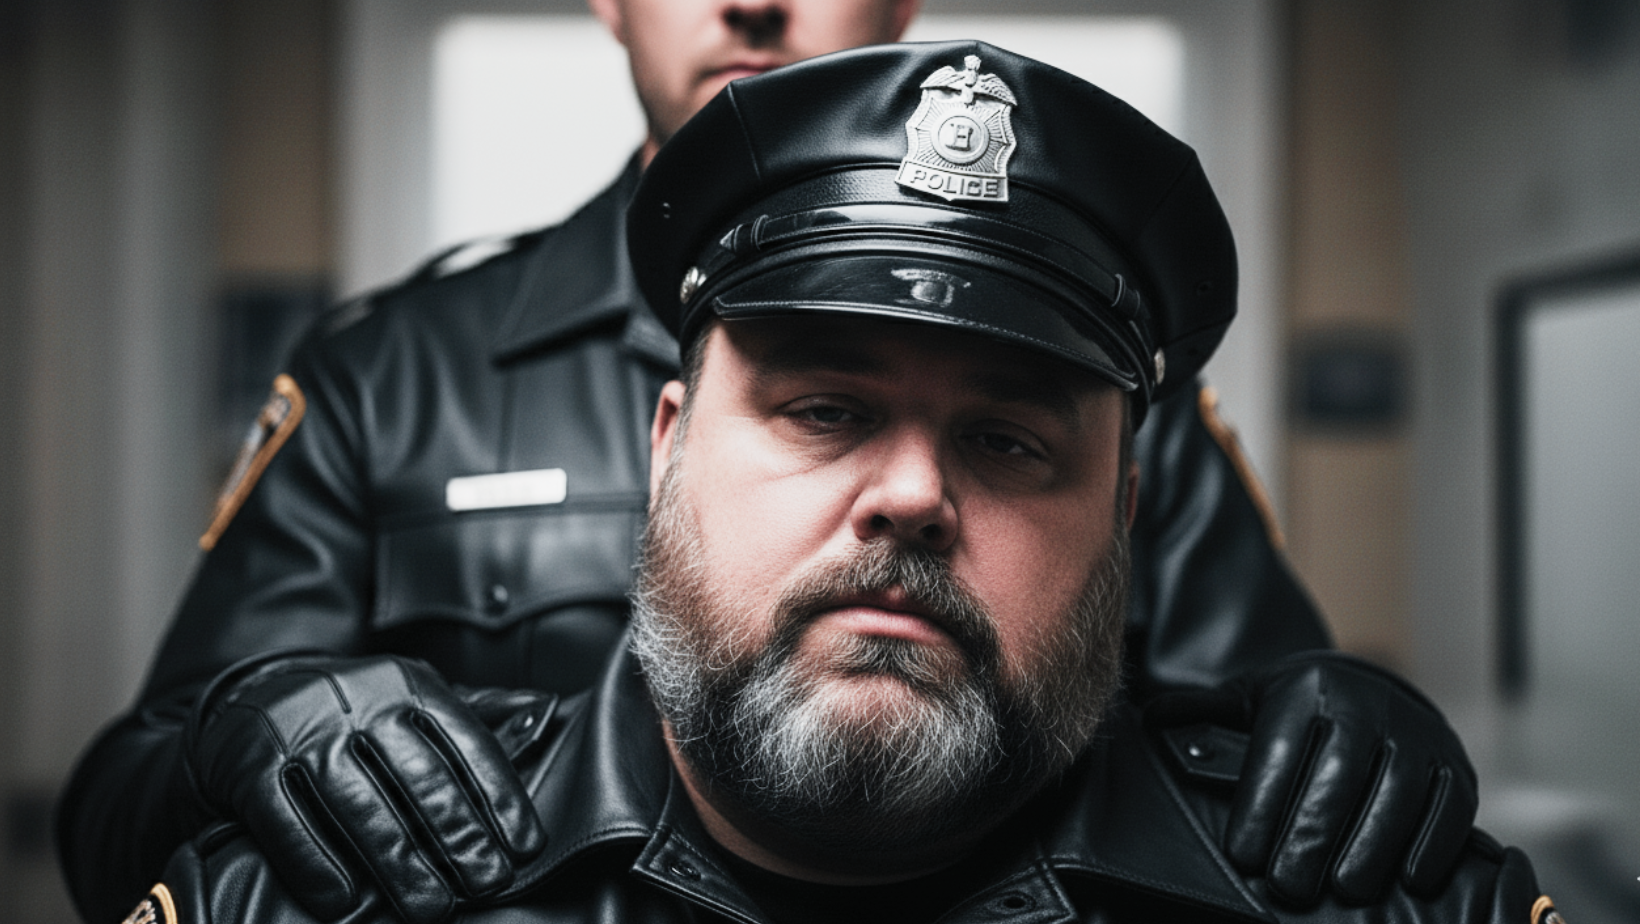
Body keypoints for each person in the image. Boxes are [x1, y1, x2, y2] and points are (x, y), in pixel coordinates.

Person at [59, 3, 1476, 923]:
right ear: (671, 428)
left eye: (1000, 434)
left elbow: (1257, 774)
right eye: (818, 406)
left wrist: (1346, 723)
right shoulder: (398, 368)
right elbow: (118, 824)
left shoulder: (1094, 397)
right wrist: (241, 730)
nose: (912, 490)